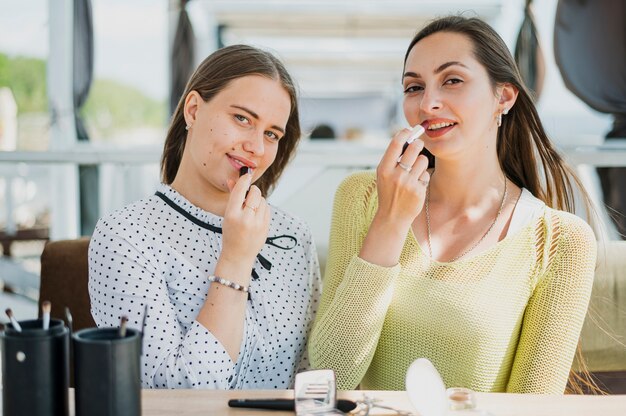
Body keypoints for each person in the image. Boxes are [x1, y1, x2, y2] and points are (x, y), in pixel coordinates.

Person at [308, 16, 597, 394]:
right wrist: (390, 222)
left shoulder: (560, 240)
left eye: (453, 80)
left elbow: (532, 406)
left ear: (504, 97)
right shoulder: (362, 196)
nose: (428, 103)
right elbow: (331, 376)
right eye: (414, 87)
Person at [89, 45, 321, 389]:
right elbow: (176, 394)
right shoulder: (125, 235)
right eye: (242, 119)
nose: (257, 147)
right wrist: (236, 259)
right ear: (194, 110)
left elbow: (310, 374)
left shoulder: (293, 234)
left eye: (272, 134)